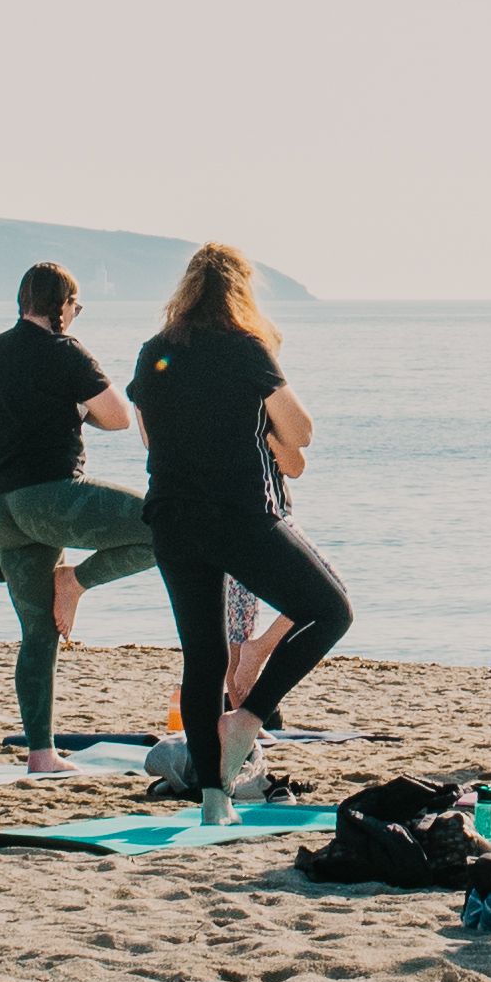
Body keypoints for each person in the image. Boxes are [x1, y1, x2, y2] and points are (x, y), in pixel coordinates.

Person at [125, 244, 354, 824]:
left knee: (200, 657)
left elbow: (149, 439)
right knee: (332, 611)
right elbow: (300, 433)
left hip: (172, 520)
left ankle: (213, 800)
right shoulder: (246, 348)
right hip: (239, 516)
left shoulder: (155, 352)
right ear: (240, 293)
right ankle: (247, 721)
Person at [0, 263, 155, 782]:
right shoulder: (66, 351)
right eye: (76, 306)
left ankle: (41, 753)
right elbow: (119, 417)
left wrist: (68, 408)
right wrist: (79, 408)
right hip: (51, 498)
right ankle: (75, 581)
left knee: (37, 633)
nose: (77, 315)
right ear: (64, 304)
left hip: (1, 507)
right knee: (164, 526)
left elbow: (25, 406)